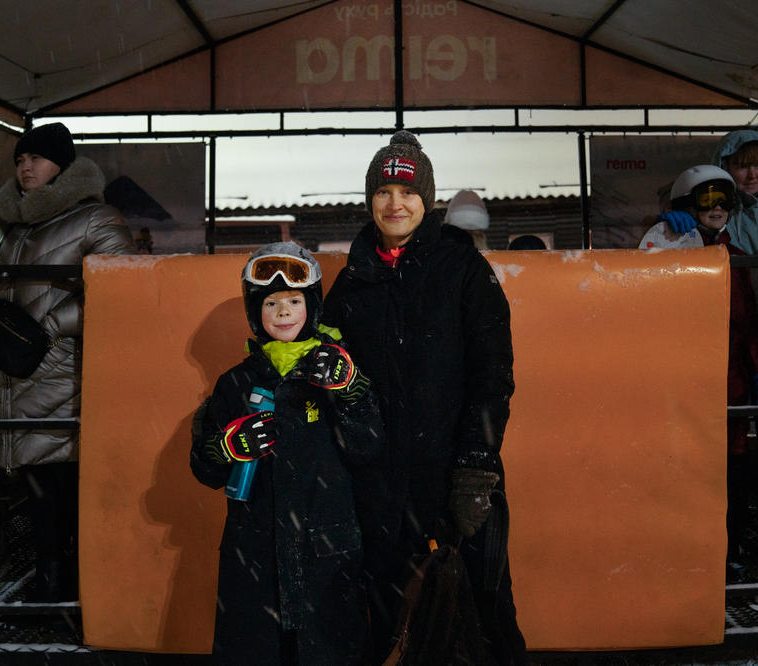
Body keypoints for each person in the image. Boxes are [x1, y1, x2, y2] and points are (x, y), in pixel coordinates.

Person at [322, 130, 527, 664]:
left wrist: (476, 466)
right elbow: (335, 390)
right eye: (384, 191)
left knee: (483, 613)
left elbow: (493, 375)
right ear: (369, 201)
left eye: (408, 192)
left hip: (458, 475)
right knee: (393, 621)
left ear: (427, 200)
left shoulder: (463, 270)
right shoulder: (350, 286)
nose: (395, 203)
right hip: (381, 489)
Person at [0, 122, 136, 601]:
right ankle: (41, 584)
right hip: (4, 379)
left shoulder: (96, 219)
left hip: (60, 380)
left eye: (36, 158)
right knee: (20, 492)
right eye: (20, 160)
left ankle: (64, 589)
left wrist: (54, 326)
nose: (25, 167)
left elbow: (123, 288)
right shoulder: (6, 225)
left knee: (59, 491)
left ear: (63, 166)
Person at [190, 242, 383, 665]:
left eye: (295, 301)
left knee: (329, 652)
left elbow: (368, 448)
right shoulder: (235, 383)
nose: (283, 312)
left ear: (311, 307)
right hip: (255, 556)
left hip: (326, 551)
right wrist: (224, 448)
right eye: (271, 302)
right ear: (254, 313)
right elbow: (204, 468)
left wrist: (352, 391)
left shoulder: (338, 368)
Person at [663, 129, 758, 540]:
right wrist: (667, 225)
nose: (752, 173)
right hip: (722, 342)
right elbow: (671, 252)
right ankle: (723, 529)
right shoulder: (709, 207)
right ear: (725, 166)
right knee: (721, 435)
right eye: (742, 164)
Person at [661, 165, 758, 577]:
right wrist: (663, 236)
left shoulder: (736, 260)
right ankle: (688, 554)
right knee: (689, 470)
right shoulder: (667, 253)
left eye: (725, 199)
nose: (719, 208)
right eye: (708, 199)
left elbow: (748, 327)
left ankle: (729, 552)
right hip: (685, 384)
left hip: (730, 382)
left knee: (732, 471)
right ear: (685, 205)